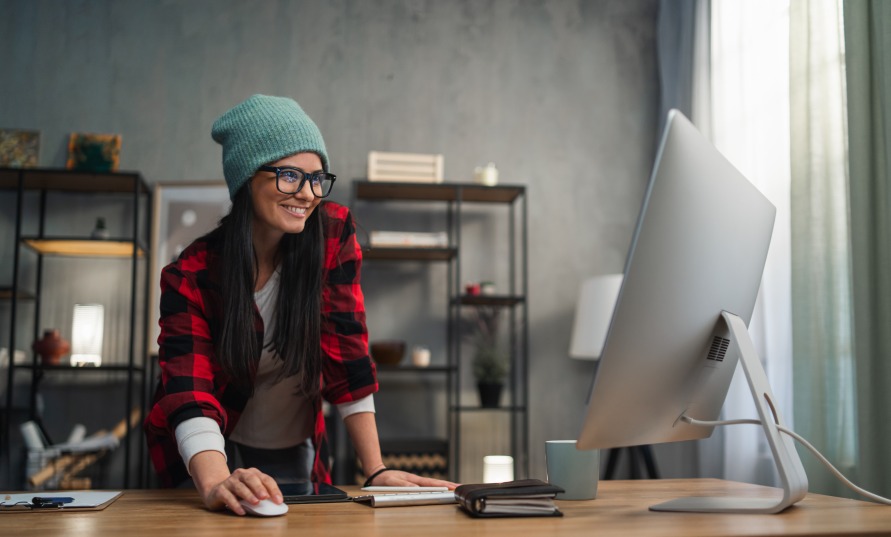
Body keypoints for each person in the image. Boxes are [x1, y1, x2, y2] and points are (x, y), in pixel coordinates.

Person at [144, 94, 455, 515]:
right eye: (289, 175)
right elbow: (189, 387)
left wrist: (376, 469)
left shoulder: (331, 237)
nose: (307, 194)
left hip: (290, 440)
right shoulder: (191, 274)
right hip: (203, 447)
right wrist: (216, 479)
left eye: (316, 178)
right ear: (246, 178)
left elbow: (347, 353)